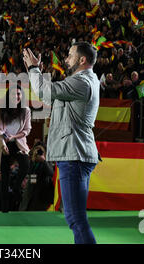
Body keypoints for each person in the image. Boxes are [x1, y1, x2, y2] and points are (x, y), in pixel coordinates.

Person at [23, 42, 101, 244]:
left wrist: (33, 69)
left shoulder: (81, 82)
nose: (66, 59)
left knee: (75, 218)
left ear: (82, 60)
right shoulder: (84, 81)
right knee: (76, 218)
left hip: (74, 155)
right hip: (77, 153)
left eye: (70, 55)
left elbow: (44, 92)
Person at [0, 85, 31, 212]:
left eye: (19, 94)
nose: (16, 96)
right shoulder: (2, 109)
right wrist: (4, 145)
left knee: (26, 164)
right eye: (13, 94)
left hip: (18, 142)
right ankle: (4, 209)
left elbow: (27, 130)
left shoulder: (26, 110)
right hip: (5, 144)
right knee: (4, 177)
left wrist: (14, 136)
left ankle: (16, 186)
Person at [19, 144, 54, 211]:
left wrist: (44, 161)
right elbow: (30, 174)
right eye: (37, 152)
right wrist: (32, 160)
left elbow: (51, 173)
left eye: (40, 152)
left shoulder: (47, 162)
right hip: (33, 192)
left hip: (43, 192)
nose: (38, 154)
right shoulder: (33, 163)